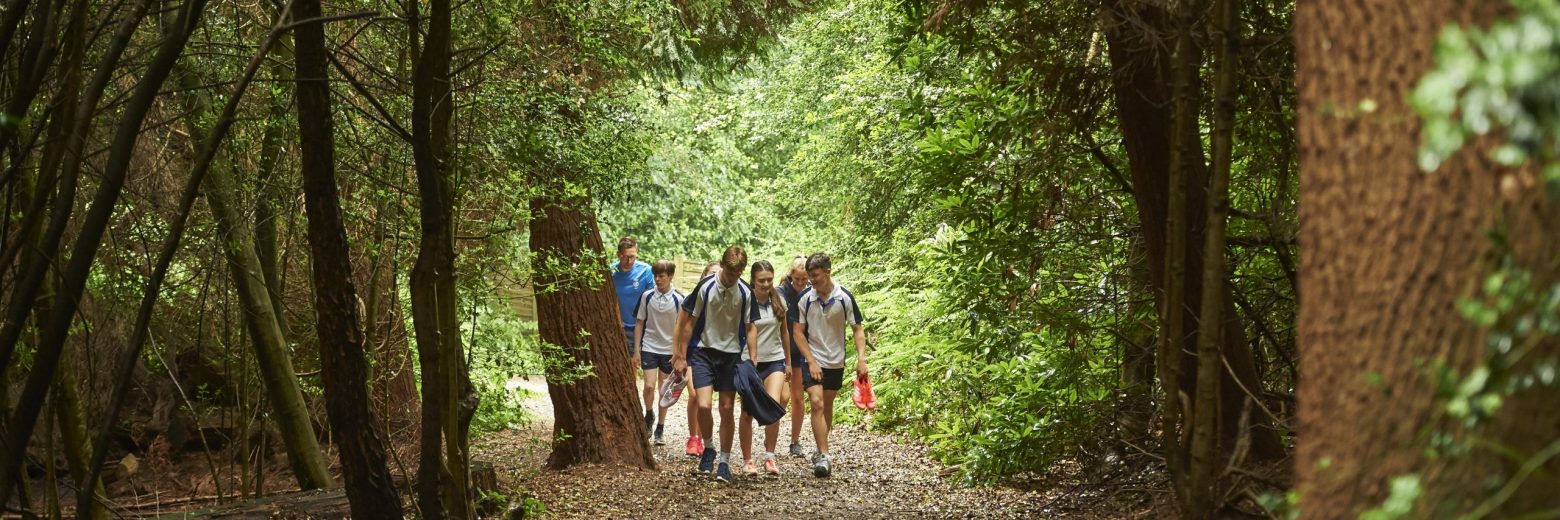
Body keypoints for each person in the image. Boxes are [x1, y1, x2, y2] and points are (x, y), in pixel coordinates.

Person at [673, 247, 751, 483]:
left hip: (731, 355)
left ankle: (725, 462)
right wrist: (680, 355)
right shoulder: (706, 287)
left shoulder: (745, 291)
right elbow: (689, 322)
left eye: (738, 273)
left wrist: (752, 358)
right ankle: (708, 447)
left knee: (727, 408)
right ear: (722, 266)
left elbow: (750, 326)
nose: (732, 277)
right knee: (703, 404)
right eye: (729, 272)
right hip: (704, 351)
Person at [793, 252, 868, 478]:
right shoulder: (805, 298)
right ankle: (825, 456)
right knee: (815, 403)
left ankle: (820, 448)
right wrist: (811, 360)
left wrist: (861, 358)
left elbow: (857, 329)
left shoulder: (844, 297)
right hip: (812, 357)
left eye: (815, 276)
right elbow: (797, 332)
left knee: (826, 406)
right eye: (809, 277)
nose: (812, 281)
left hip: (835, 360)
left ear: (828, 271)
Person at [738, 260, 791, 477]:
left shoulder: (779, 301)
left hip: (774, 360)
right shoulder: (744, 302)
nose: (766, 284)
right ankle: (748, 460)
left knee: (773, 406)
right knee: (747, 412)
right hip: (749, 362)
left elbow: (785, 333)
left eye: (769, 279)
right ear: (753, 280)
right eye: (761, 280)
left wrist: (788, 361)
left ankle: (770, 456)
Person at [632, 260, 683, 445]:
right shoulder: (646, 296)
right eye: (656, 275)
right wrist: (636, 350)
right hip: (649, 346)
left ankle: (660, 428)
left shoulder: (679, 299)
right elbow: (639, 323)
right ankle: (649, 414)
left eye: (661, 276)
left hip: (669, 350)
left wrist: (678, 354)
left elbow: (682, 328)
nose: (658, 279)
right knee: (649, 386)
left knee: (664, 390)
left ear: (670, 276)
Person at [683, 261, 721, 458]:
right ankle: (693, 437)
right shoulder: (694, 297)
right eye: (710, 273)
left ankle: (704, 438)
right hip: (692, 352)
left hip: (713, 354)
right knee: (695, 395)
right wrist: (678, 354)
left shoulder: (724, 299)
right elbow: (682, 326)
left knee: (706, 400)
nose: (714, 277)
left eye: (717, 273)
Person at [777, 256, 811, 457]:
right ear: (791, 276)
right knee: (782, 396)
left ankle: (795, 441)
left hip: (800, 351)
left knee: (798, 398)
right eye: (797, 279)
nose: (800, 283)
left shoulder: (810, 292)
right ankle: (771, 430)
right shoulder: (780, 293)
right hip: (780, 351)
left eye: (803, 280)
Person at [610, 237, 654, 364]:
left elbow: (652, 298)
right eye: (625, 257)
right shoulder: (611, 271)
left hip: (639, 326)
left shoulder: (646, 271)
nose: (629, 261)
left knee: (633, 364)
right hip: (617, 326)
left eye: (633, 257)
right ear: (619, 254)